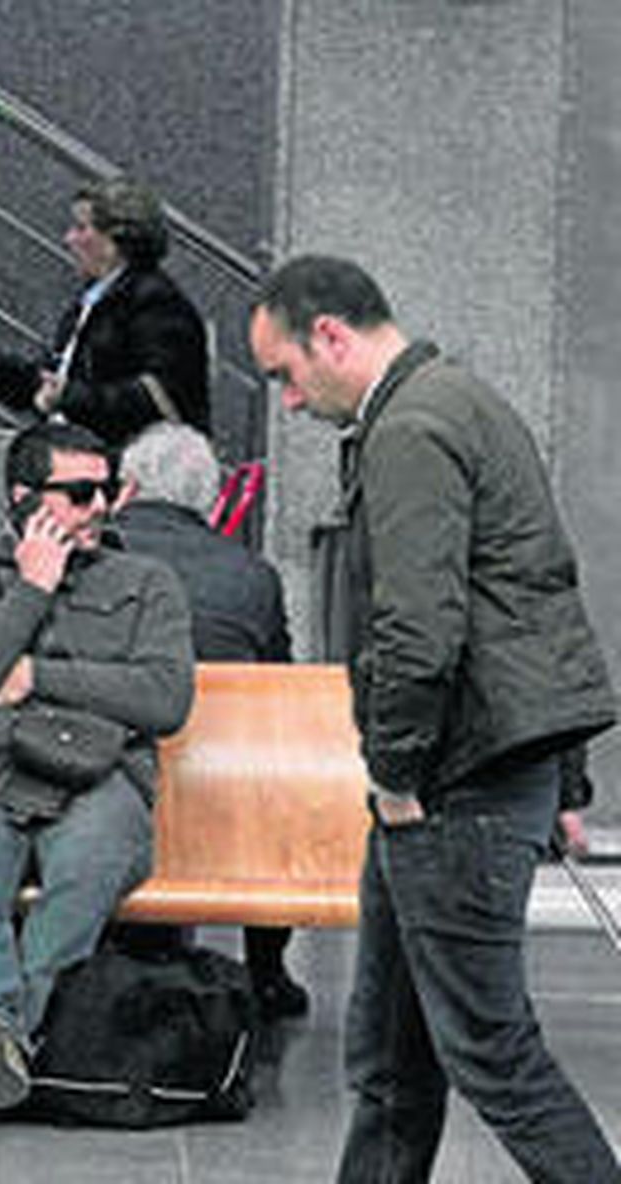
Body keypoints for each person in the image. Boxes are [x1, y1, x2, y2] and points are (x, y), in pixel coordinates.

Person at [249, 255, 620, 1184]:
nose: (287, 404)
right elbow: (536, 593)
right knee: (392, 1066)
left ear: (329, 334)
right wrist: (563, 779)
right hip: (481, 771)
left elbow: (420, 629)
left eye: (284, 375)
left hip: (454, 785)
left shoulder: (411, 429)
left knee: (489, 1056)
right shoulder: (462, 402)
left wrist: (397, 774)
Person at [0, 420, 195, 1125]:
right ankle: (8, 1053)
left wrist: (36, 673)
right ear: (22, 499)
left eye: (105, 489)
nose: (99, 504)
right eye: (77, 493)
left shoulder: (147, 582)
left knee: (83, 874)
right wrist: (30, 594)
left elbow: (164, 697)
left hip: (106, 774)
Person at [113, 422, 307, 1019]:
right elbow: (280, 687)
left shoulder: (93, 552)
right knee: (277, 782)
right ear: (209, 498)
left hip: (108, 772)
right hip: (223, 795)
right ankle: (268, 971)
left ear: (129, 485)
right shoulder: (251, 577)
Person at [0, 176, 209, 447]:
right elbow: (52, 380)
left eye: (81, 228)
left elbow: (162, 398)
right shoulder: (95, 301)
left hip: (131, 474)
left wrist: (70, 397)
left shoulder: (156, 304)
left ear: (116, 241)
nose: (68, 239)